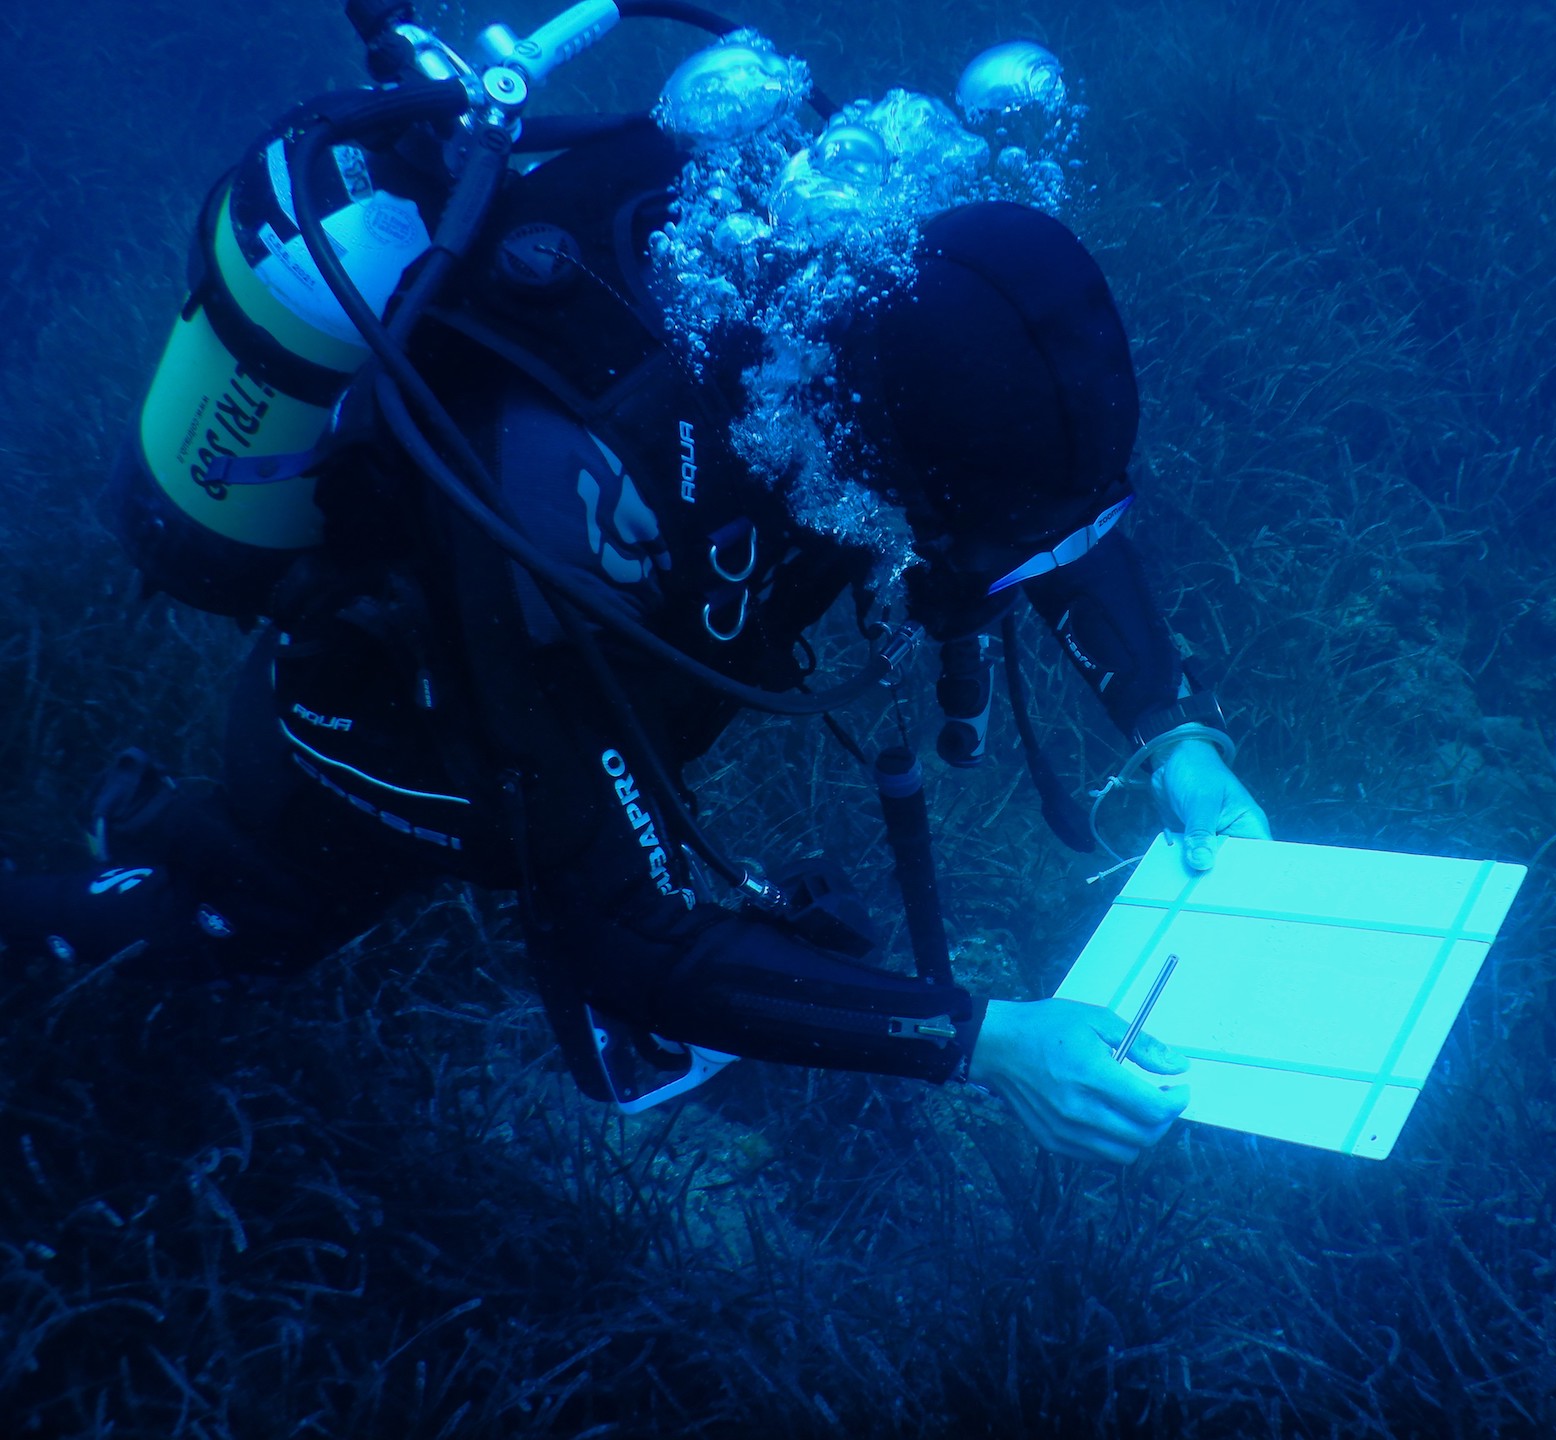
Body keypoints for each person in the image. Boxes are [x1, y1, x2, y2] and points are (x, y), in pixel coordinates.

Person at [0, 49, 1269, 1168]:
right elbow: (625, 935)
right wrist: (989, 1043)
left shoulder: (866, 304)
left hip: (621, 647)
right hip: (402, 700)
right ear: (872, 452)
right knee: (269, 916)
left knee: (620, 762)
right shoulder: (577, 492)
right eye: (953, 533)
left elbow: (1040, 503)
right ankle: (78, 887)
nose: (976, 560)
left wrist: (1175, 731)